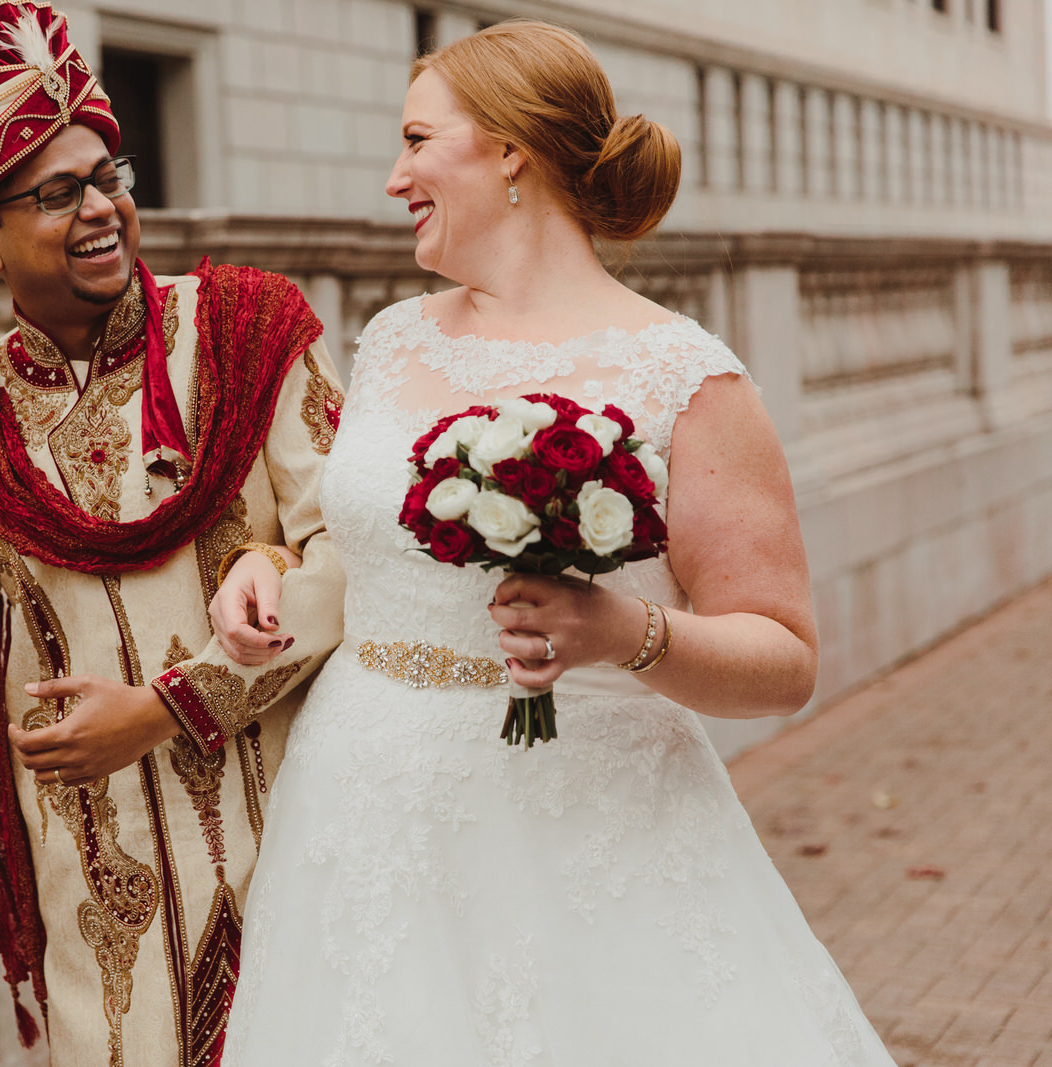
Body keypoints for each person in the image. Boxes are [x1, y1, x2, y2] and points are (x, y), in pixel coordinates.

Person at [213, 19, 898, 1066]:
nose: (394, 175)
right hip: (363, 808)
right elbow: (359, 544)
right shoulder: (394, 337)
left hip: (591, 837)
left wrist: (621, 628)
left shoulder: (684, 375)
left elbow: (783, 659)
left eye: (414, 140)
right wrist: (264, 564)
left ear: (506, 151)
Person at [0, 3, 347, 1064]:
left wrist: (172, 705)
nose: (100, 209)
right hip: (95, 889)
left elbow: (355, 552)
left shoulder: (243, 333)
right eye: (56, 192)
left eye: (109, 177)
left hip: (296, 834)